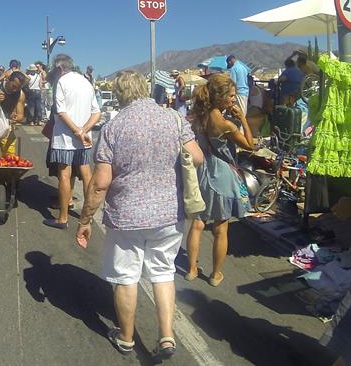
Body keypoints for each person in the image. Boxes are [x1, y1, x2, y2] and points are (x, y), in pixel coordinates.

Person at [76, 70, 203, 359]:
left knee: (126, 276)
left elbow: (100, 183)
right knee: (163, 272)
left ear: (119, 95)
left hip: (127, 215)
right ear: (145, 89)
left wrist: (85, 220)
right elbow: (197, 157)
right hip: (169, 213)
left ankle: (126, 337)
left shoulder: (114, 127)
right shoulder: (173, 118)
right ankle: (167, 336)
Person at [185, 73, 254, 287]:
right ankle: (215, 275)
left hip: (202, 171)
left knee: (197, 223)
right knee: (221, 228)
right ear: (221, 97)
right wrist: (242, 118)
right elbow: (249, 145)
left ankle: (191, 269)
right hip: (221, 174)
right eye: (231, 96)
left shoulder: (199, 115)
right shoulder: (225, 124)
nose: (234, 99)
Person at [44, 54, 101, 229]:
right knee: (86, 175)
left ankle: (63, 218)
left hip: (65, 138)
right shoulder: (86, 82)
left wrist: (76, 132)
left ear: (60, 68)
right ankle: (87, 217)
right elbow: (96, 112)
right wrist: (84, 131)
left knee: (64, 175)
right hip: (84, 139)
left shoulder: (62, 82)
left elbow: (61, 111)